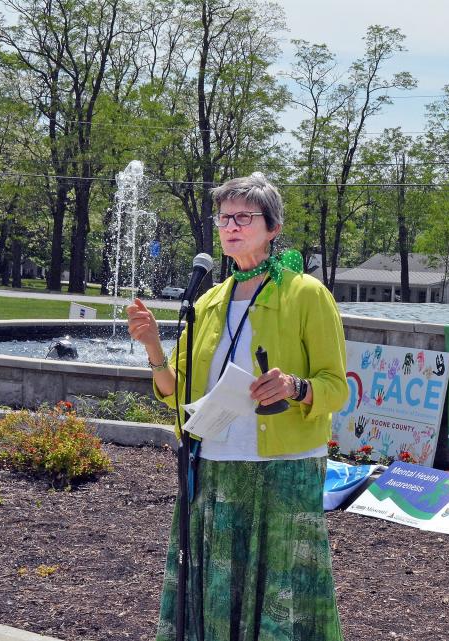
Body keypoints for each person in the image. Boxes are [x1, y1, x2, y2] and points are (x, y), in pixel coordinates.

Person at [126, 172, 348, 641]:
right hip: (216, 467)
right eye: (224, 217)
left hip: (283, 470)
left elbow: (336, 387)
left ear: (272, 227)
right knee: (218, 587)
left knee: (281, 592)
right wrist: (152, 348)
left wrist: (294, 386)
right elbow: (173, 390)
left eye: (244, 216)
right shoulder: (208, 300)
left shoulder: (306, 293)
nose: (231, 225)